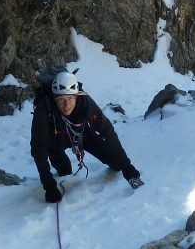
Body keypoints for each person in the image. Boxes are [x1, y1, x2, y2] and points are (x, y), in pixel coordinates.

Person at [30, 70, 143, 202]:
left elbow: (106, 130)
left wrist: (127, 166)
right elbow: (38, 149)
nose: (66, 105)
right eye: (61, 100)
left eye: (70, 99)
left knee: (117, 163)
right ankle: (61, 164)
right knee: (65, 171)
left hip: (81, 134)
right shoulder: (44, 108)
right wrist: (49, 186)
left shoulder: (84, 101)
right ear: (55, 98)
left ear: (76, 96)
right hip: (55, 141)